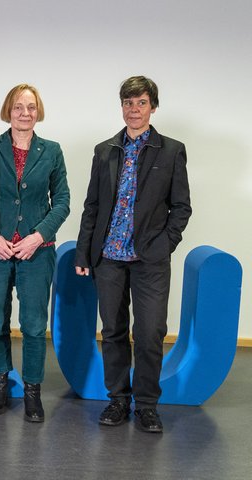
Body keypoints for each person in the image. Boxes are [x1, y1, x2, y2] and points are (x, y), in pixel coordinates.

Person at [75, 76, 191, 433]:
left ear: (152, 106)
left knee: (151, 333)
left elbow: (181, 207)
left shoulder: (170, 150)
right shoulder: (105, 150)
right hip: (109, 256)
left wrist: (164, 245)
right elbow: (92, 205)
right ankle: (117, 400)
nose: (134, 109)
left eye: (141, 102)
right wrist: (84, 252)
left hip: (150, 261)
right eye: (128, 103)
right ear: (121, 106)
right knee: (112, 331)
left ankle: (147, 406)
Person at [0, 84, 70, 422]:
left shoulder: (52, 151)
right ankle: (0, 383)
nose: (24, 113)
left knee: (32, 324)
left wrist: (38, 236)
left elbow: (63, 202)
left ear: (38, 111)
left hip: (36, 252)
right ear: (8, 111)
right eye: (18, 107)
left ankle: (32, 392)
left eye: (30, 107)